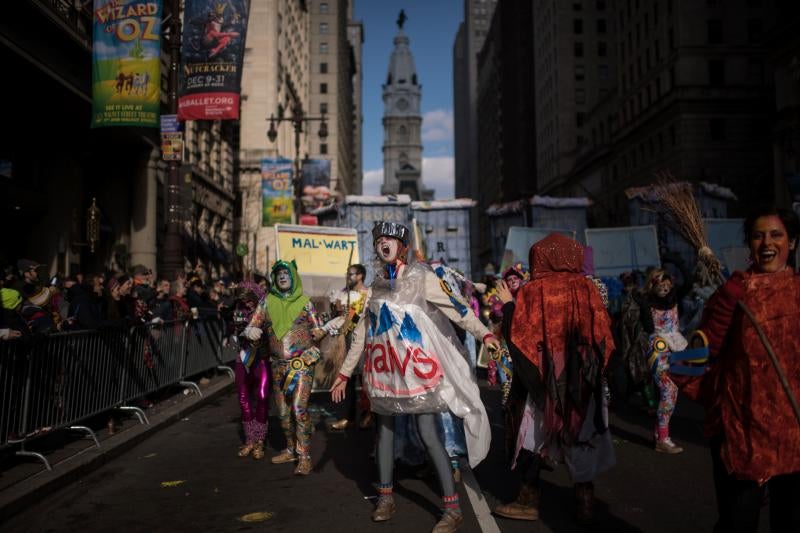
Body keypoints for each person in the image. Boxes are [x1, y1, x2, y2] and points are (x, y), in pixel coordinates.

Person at [330, 221, 500, 533]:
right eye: (379, 239)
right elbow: (360, 336)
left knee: (429, 433)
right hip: (384, 375)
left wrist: (485, 333)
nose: (384, 244)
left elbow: (458, 308)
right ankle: (385, 498)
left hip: (418, 373)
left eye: (390, 239)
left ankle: (452, 508)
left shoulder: (423, 277)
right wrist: (343, 373)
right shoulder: (372, 290)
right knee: (384, 433)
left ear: (403, 246)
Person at [681, 207, 800, 533]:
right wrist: (680, 359)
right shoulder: (734, 293)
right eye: (758, 235)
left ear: (792, 242)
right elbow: (704, 351)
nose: (767, 243)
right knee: (739, 522)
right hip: (744, 430)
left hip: (794, 431)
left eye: (776, 234)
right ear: (749, 244)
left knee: (789, 520)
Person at [492, 233, 615, 525]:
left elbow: (517, 336)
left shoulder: (533, 291)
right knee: (580, 437)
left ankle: (528, 500)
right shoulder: (587, 289)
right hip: (581, 376)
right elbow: (605, 335)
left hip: (543, 374)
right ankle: (585, 505)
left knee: (534, 438)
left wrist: (508, 304)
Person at [243, 260, 324, 475]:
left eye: (285, 274)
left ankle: (304, 456)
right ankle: (290, 449)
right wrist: (250, 331)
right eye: (278, 274)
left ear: (293, 277)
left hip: (302, 365)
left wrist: (317, 342)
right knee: (282, 414)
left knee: (299, 409)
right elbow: (252, 324)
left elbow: (318, 331)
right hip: (277, 365)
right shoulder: (266, 302)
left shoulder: (306, 303)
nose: (281, 277)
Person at [322, 263, 370, 430]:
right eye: (347, 274)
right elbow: (339, 319)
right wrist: (336, 311)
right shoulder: (343, 294)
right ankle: (347, 417)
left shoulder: (368, 294)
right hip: (347, 341)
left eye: (351, 274)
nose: (348, 277)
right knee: (346, 381)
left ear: (360, 276)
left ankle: (368, 414)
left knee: (366, 381)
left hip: (365, 342)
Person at [232, 281, 269, 460]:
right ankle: (250, 440)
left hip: (262, 359)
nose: (247, 303)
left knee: (262, 396)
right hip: (244, 359)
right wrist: (245, 330)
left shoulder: (266, 308)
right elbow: (236, 327)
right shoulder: (238, 310)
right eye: (244, 300)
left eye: (249, 299)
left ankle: (260, 441)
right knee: (243, 397)